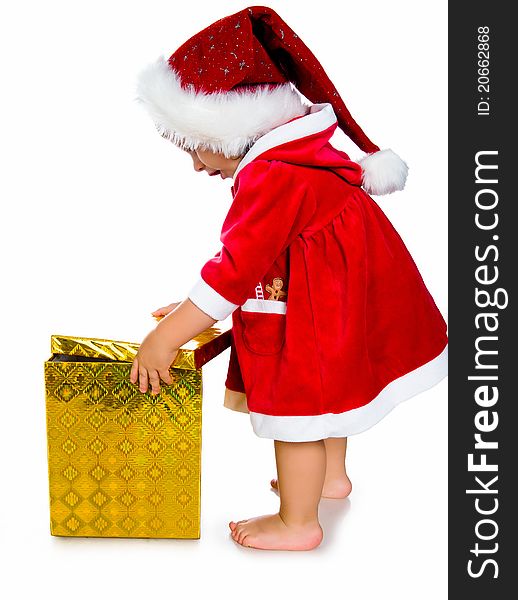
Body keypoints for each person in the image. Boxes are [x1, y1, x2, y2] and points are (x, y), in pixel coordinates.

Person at [130, 5, 448, 551]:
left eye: (193, 144)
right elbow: (255, 257)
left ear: (228, 122)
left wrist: (170, 335)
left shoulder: (273, 176)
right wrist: (190, 307)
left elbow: (236, 269)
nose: (196, 166)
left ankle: (298, 522)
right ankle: (329, 479)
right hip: (339, 297)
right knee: (335, 386)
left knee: (296, 407)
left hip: (318, 307)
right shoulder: (298, 159)